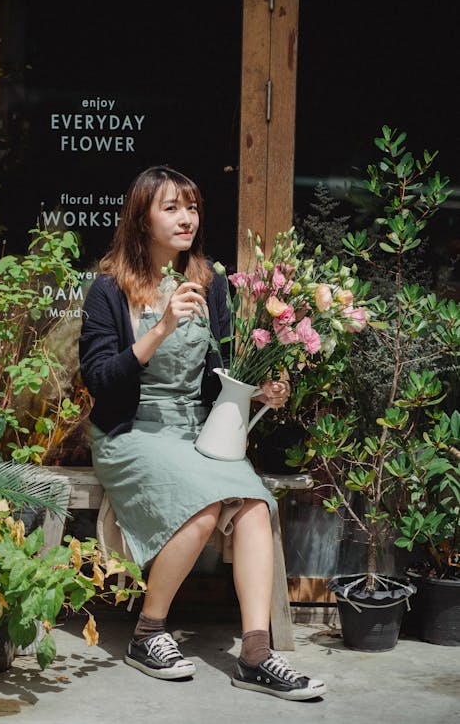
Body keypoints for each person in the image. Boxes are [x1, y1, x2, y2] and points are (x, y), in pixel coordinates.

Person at [79, 165, 326, 701]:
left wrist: (256, 392)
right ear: (141, 218)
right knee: (207, 504)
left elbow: (216, 379)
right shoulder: (107, 289)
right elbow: (99, 380)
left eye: (191, 207)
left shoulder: (209, 281)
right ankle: (149, 632)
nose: (186, 217)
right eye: (171, 207)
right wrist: (162, 326)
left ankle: (256, 654)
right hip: (132, 431)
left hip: (197, 429)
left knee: (257, 504)